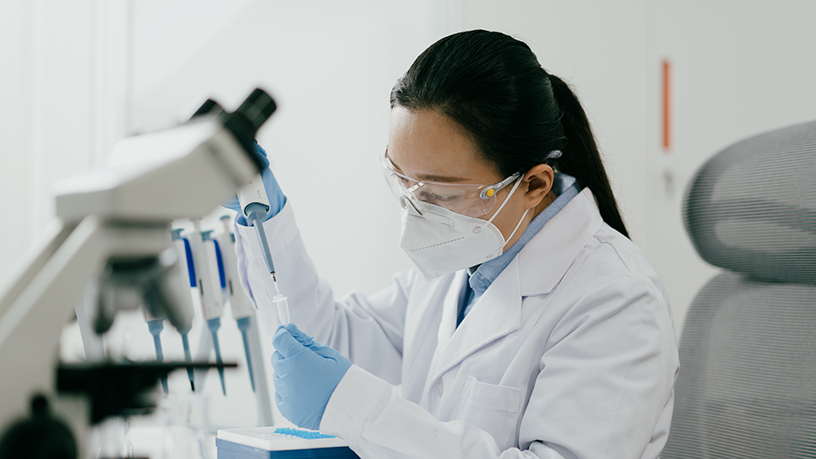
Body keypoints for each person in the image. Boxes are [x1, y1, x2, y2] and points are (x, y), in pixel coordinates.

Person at [226, 29, 679, 459]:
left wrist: (357, 408)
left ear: (535, 185)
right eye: (402, 180)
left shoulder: (616, 299)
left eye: (440, 193)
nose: (416, 209)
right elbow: (326, 340)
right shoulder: (468, 263)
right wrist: (265, 221)